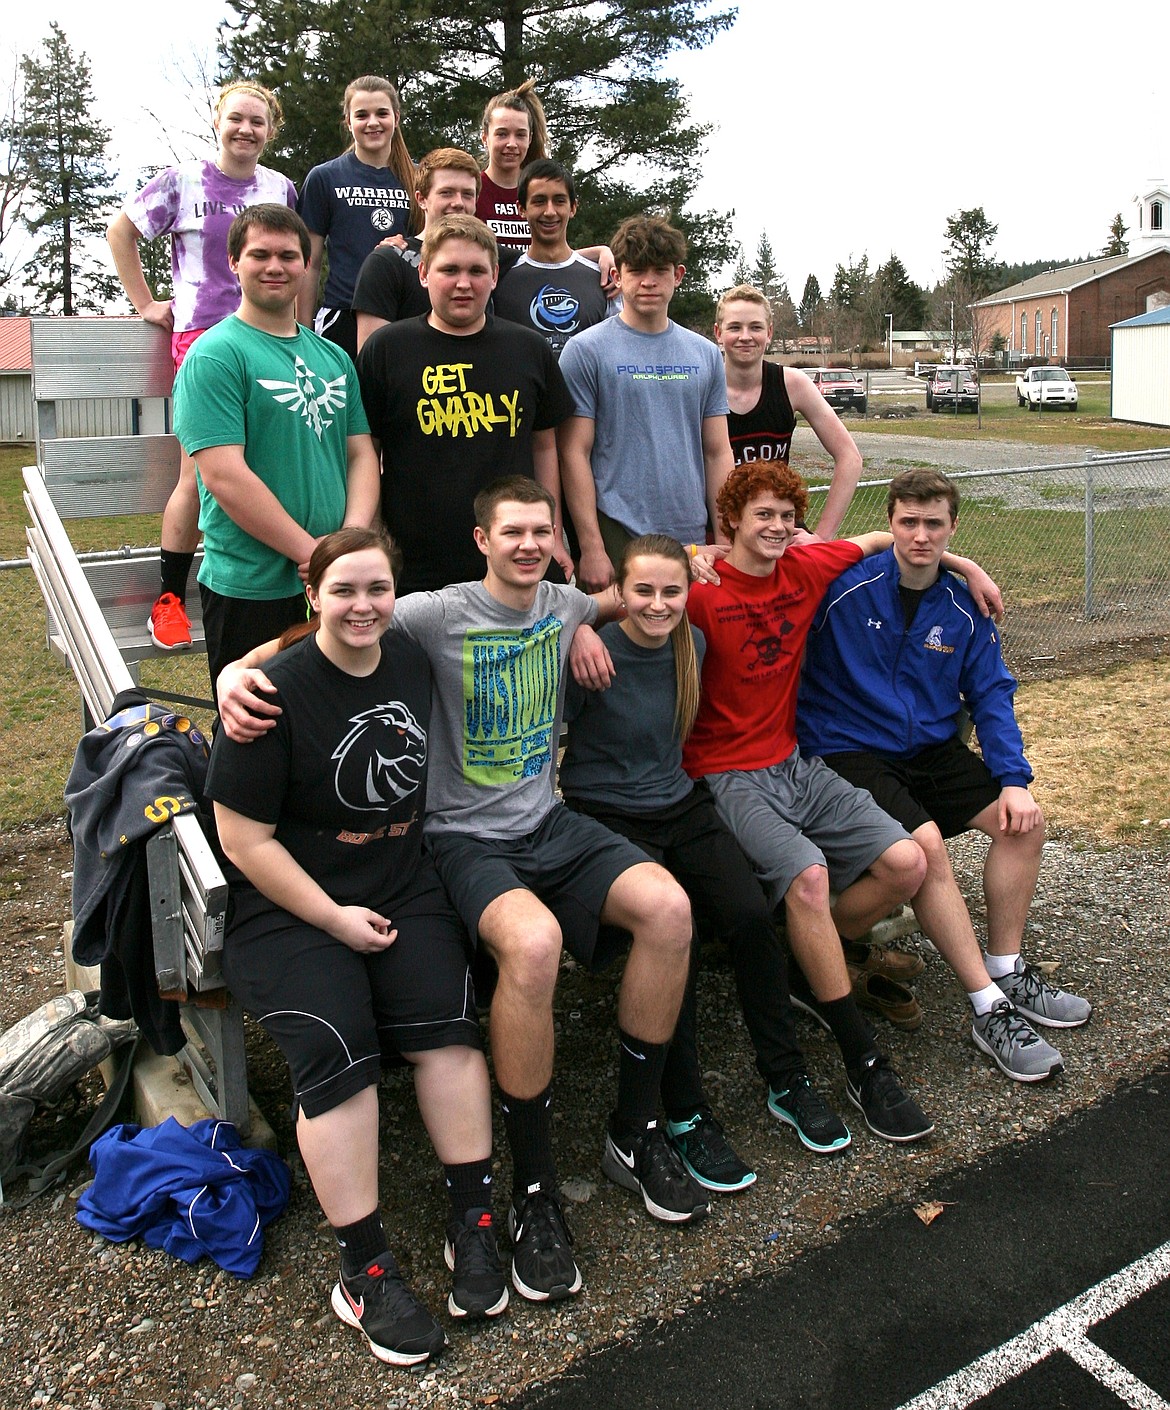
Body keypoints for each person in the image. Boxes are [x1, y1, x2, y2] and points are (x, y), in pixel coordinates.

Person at [217, 478, 707, 1306]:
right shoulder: (432, 613)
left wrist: (927, 553)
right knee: (535, 943)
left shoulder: (566, 606)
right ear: (482, 540)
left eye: (539, 532)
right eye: (509, 531)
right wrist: (238, 666)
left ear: (555, 542)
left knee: (670, 909)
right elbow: (333, 621)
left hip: (547, 820)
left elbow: (643, 595)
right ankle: (535, 1188)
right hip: (459, 837)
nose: (526, 544)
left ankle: (635, 1129)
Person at [205, 527, 505, 1369]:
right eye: (344, 591)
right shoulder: (269, 696)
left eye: (377, 589)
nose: (363, 606)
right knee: (342, 1050)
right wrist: (334, 918)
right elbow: (244, 840)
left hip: (400, 882)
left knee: (448, 1025)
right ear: (313, 597)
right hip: (290, 904)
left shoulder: (408, 655)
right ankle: (364, 1267)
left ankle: (473, 1221)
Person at [560, 535, 853, 1184]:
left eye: (672, 591)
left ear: (689, 594)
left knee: (751, 915)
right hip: (605, 812)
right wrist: (583, 621)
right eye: (643, 590)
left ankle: (786, 1076)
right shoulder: (593, 656)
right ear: (621, 594)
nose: (658, 604)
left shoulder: (693, 645)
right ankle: (686, 1114)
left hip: (679, 802)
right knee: (675, 935)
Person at [673, 461, 939, 1143]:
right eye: (762, 515)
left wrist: (968, 568)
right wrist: (685, 554)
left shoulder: (806, 565)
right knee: (809, 877)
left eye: (788, 516)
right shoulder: (699, 591)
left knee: (907, 863)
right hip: (726, 773)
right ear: (730, 520)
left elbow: (889, 543)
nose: (778, 527)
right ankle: (862, 1059)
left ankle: (806, 956)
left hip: (794, 763)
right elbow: (628, 594)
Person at [797, 468, 1091, 1082]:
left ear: (953, 528)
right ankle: (987, 1007)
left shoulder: (963, 604)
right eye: (908, 522)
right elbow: (781, 555)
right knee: (925, 848)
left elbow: (991, 694)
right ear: (890, 523)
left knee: (1023, 826)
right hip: (847, 747)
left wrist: (1014, 779)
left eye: (935, 524)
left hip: (929, 745)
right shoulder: (844, 586)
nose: (921, 536)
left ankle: (1007, 964)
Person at [107, 80, 296, 653]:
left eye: (258, 122)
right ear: (218, 122)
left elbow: (297, 259)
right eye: (236, 118)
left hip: (270, 338)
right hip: (203, 339)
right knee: (200, 474)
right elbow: (122, 231)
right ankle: (169, 598)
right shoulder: (182, 182)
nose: (246, 130)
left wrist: (299, 326)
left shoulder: (280, 187)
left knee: (268, 464)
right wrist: (144, 304)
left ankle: (272, 583)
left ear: (270, 130)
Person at [172, 205, 380, 695]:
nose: (275, 266)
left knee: (327, 726)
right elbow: (225, 476)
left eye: (289, 255)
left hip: (331, 584)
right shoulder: (215, 355)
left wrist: (346, 544)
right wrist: (312, 553)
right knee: (254, 728)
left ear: (308, 266)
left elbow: (361, 455)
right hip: (252, 586)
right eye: (259, 254)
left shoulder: (333, 358)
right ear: (233, 263)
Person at [356, 214, 575, 592]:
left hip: (512, 555)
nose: (463, 284)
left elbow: (545, 446)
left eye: (476, 271)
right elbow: (364, 453)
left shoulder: (528, 349)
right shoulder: (387, 349)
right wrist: (371, 538)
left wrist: (551, 533)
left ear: (494, 276)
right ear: (423, 273)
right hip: (414, 562)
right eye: (449, 269)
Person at [558, 215, 735, 591]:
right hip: (618, 532)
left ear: (679, 275)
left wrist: (726, 533)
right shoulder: (585, 350)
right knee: (625, 646)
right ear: (618, 276)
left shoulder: (705, 354)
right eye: (636, 270)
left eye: (660, 270)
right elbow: (574, 451)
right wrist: (591, 547)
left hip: (692, 536)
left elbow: (717, 451)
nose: (649, 281)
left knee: (691, 645)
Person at [715, 284, 863, 541]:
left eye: (756, 327)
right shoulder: (703, 387)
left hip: (778, 531)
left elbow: (850, 457)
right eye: (735, 327)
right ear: (718, 333)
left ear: (769, 332)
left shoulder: (792, 384)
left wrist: (822, 538)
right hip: (722, 534)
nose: (745, 336)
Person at [296, 76, 420, 359]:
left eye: (382, 113)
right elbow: (309, 262)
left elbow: (428, 249)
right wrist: (301, 332)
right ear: (348, 122)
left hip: (403, 316)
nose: (372, 122)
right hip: (342, 315)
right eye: (362, 115)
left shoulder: (418, 178)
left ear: (396, 118)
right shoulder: (325, 178)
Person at [353, 148, 484, 350]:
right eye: (446, 193)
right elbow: (372, 360)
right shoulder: (387, 262)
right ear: (421, 198)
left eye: (467, 194)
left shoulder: (492, 261)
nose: (458, 203)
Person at [491, 159, 620, 358]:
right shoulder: (499, 279)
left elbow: (615, 353)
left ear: (573, 207)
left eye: (559, 201)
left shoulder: (603, 280)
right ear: (521, 209)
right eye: (539, 201)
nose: (550, 212)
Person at [475, 79, 547, 250]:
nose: (512, 144)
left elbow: (556, 255)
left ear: (530, 139)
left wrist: (600, 252)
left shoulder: (541, 192)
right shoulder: (470, 191)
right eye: (502, 134)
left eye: (520, 135)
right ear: (485, 137)